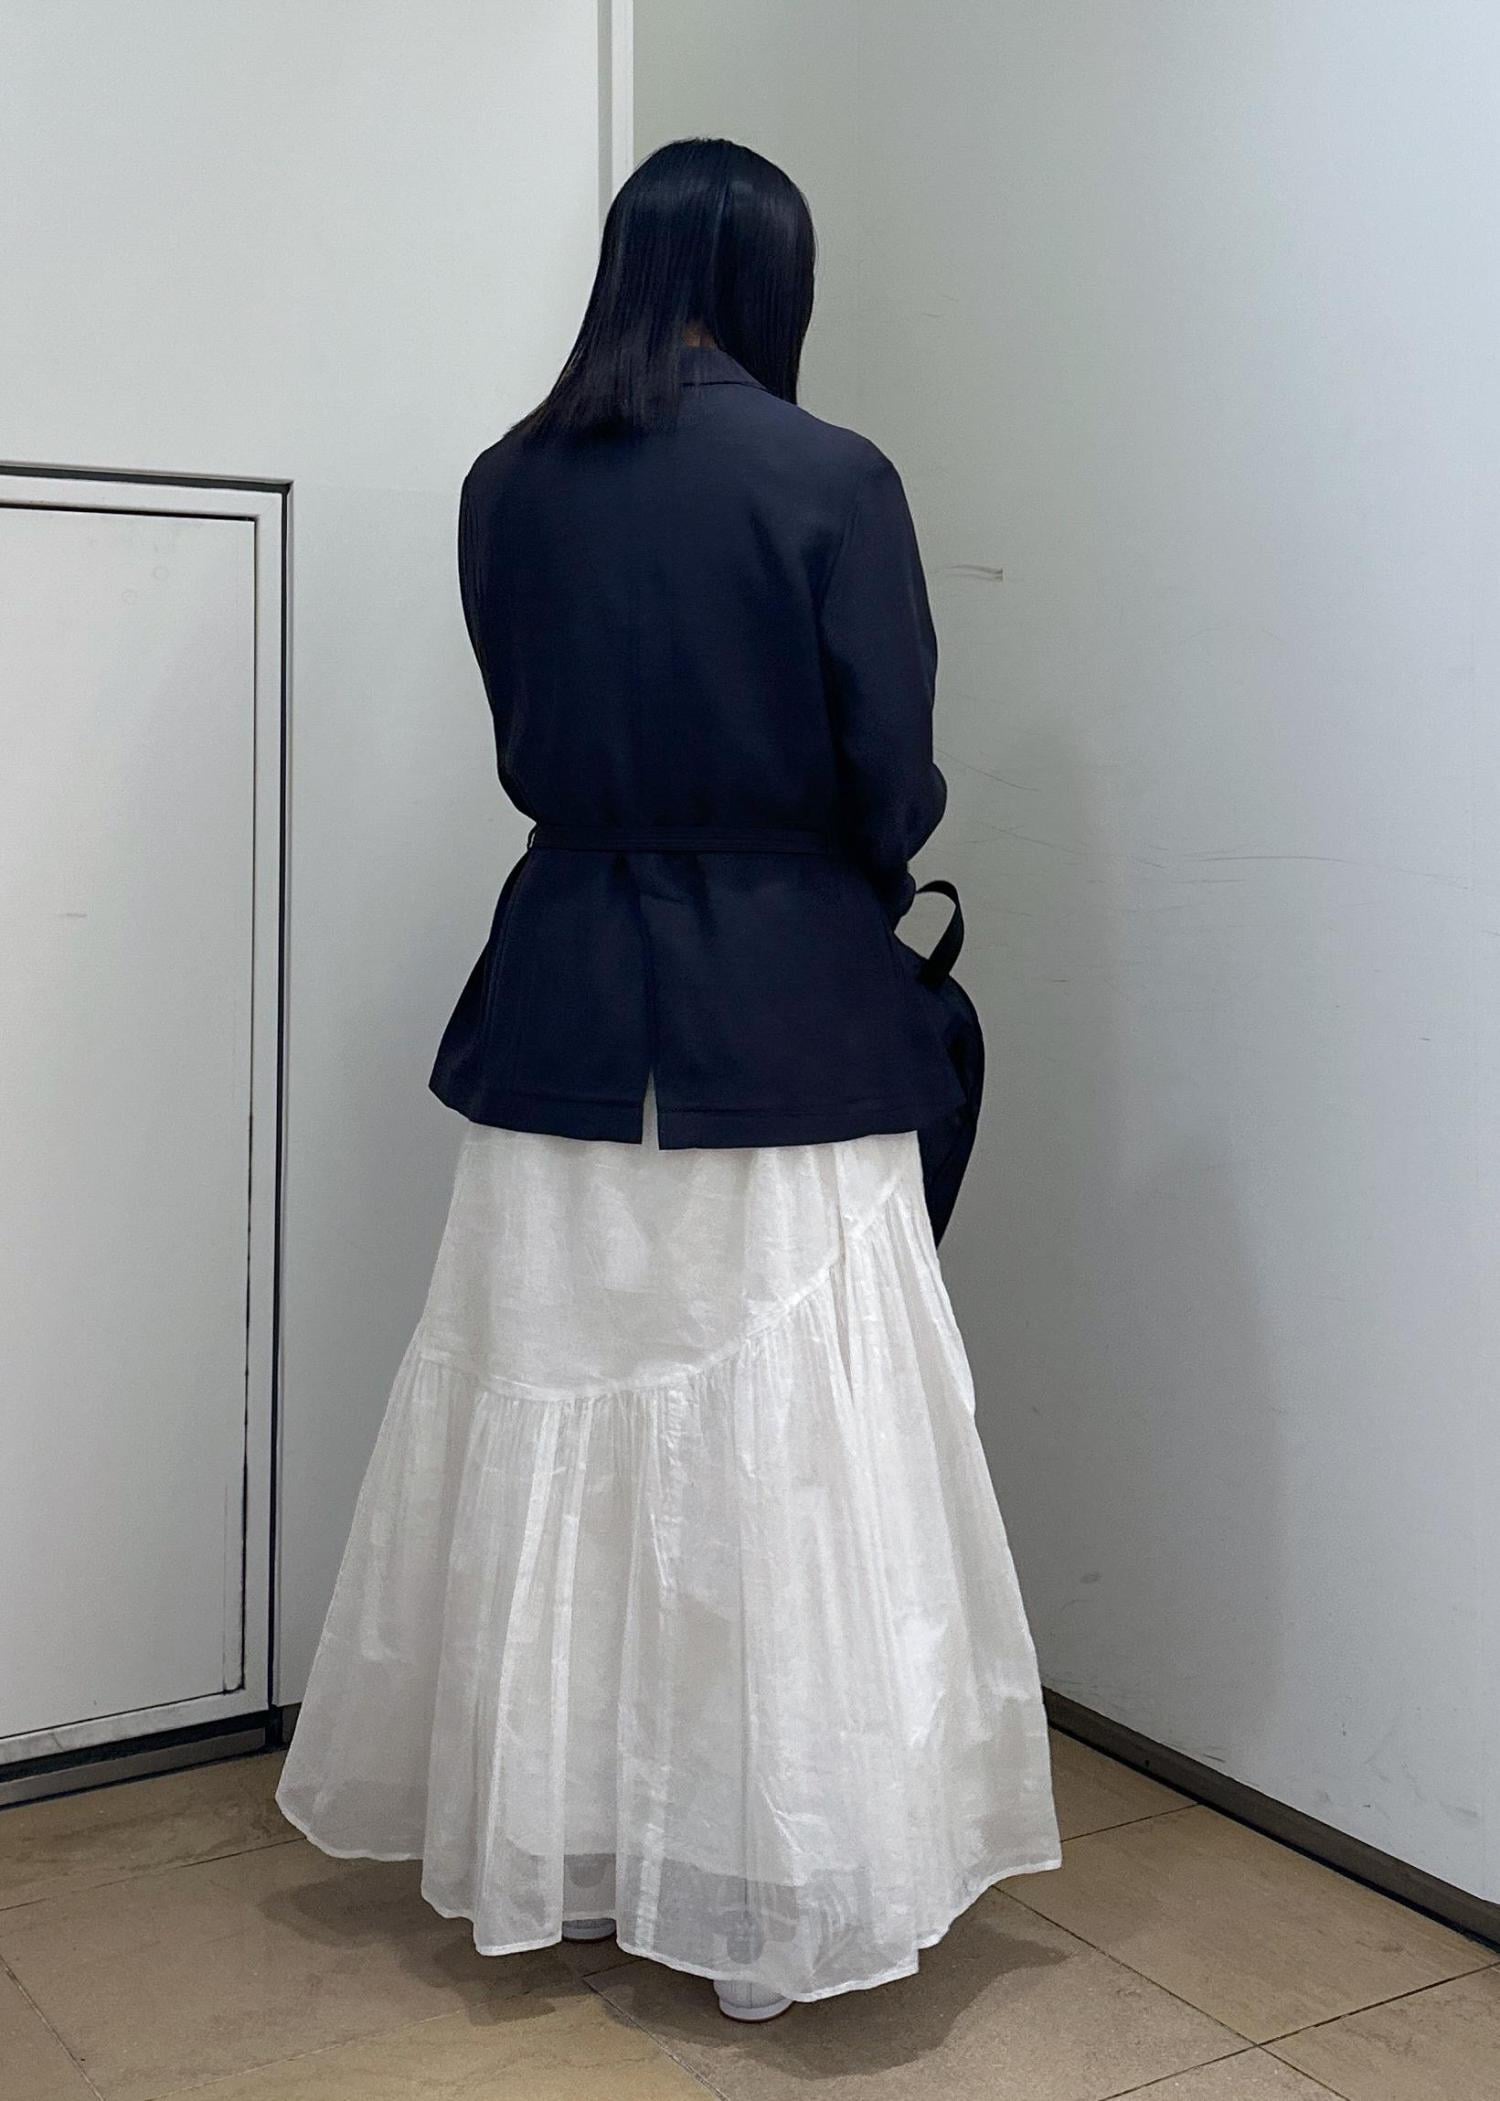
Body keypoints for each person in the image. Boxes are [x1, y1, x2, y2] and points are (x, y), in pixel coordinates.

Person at [276, 136, 1059, 2019]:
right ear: (774, 277)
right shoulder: (832, 476)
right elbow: (890, 777)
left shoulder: (504, 481)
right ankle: (781, 1879)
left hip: (562, 1002)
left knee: (549, 1413)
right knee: (795, 1447)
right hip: (781, 1015)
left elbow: (524, 738)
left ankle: (563, 1844)